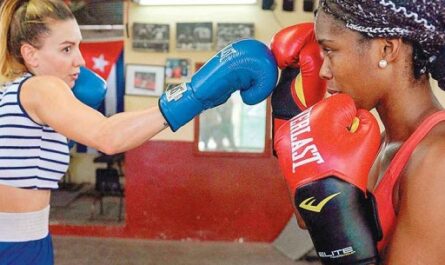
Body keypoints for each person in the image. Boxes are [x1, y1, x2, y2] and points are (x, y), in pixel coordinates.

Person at [0, 0, 278, 263]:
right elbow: (108, 136)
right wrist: (192, 94)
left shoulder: (16, 91)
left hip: (27, 241)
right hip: (15, 246)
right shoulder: (41, 88)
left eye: (78, 46)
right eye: (66, 48)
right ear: (30, 54)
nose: (81, 60)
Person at [273, 1, 445, 264]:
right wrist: (289, 115)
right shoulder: (381, 141)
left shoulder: (436, 159)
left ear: (387, 48)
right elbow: (317, 217)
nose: (323, 71)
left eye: (330, 51)